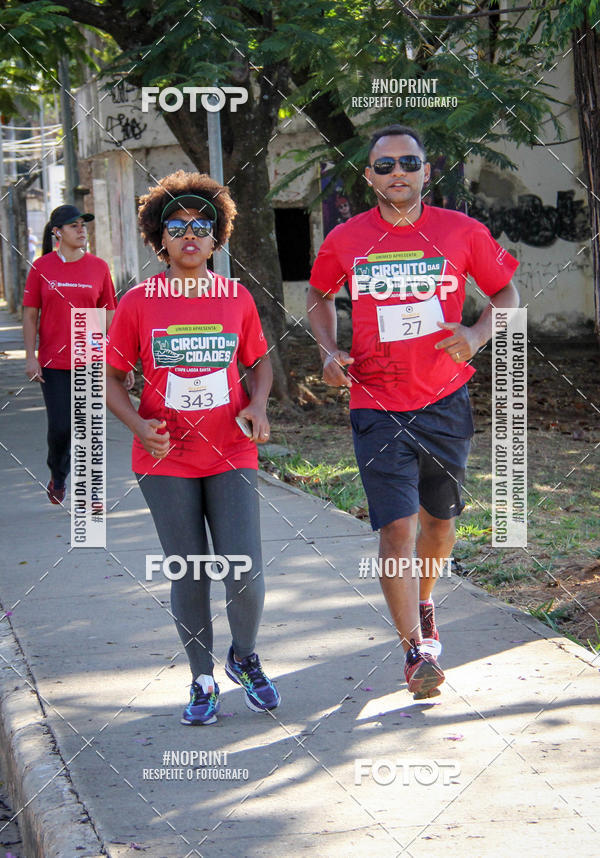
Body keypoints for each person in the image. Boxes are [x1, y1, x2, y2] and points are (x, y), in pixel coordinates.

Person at [307, 124, 519, 699]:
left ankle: (425, 601)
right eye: (385, 165)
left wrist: (476, 335)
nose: (397, 172)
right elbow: (319, 295)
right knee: (396, 528)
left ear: (427, 171)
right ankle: (414, 651)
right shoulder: (346, 239)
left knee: (440, 525)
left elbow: (506, 295)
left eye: (409, 162)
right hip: (376, 402)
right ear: (370, 177)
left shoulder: (462, 232)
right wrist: (329, 351)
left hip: (445, 400)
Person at [105, 170, 280, 725]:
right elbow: (109, 379)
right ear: (160, 236)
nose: (190, 234)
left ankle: (244, 657)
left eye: (202, 225)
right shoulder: (138, 303)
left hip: (231, 448)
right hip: (164, 456)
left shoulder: (235, 297)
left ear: (216, 237)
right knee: (189, 571)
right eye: (176, 225)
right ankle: (201, 679)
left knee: (245, 568)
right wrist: (135, 423)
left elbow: (259, 364)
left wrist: (258, 404)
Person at [22, 204, 119, 505]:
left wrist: (116, 359)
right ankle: (58, 473)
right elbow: (30, 315)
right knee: (61, 427)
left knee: (90, 427)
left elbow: (110, 315)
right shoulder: (41, 268)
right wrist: (30, 356)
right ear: (57, 232)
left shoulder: (99, 268)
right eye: (74, 225)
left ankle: (92, 490)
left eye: (84, 225)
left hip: (90, 358)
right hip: (53, 362)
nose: (81, 230)